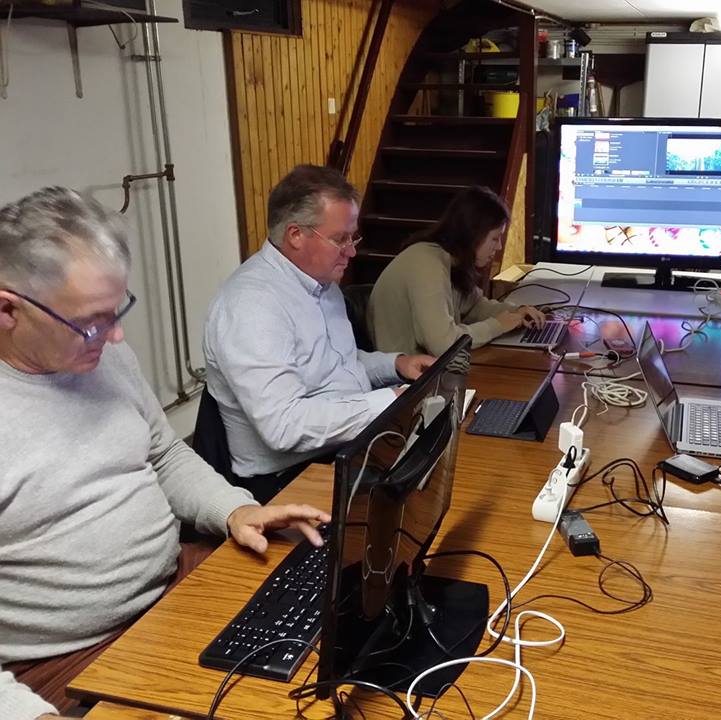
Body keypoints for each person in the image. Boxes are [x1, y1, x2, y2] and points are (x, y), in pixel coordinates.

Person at [0, 187, 329, 720]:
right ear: (8, 309)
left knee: (326, 643)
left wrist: (233, 509)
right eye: (92, 320)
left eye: (118, 309)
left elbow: (163, 453)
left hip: (173, 588)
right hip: (59, 664)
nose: (115, 335)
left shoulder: (101, 354)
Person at [204, 165, 433, 502]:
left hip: (342, 445)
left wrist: (396, 365)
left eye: (353, 237)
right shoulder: (252, 307)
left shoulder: (322, 284)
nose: (352, 251)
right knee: (423, 499)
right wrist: (388, 402)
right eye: (340, 239)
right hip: (287, 479)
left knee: (440, 465)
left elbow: (335, 364)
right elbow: (284, 426)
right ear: (296, 235)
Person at [367, 185, 546, 357]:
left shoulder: (449, 260)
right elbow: (442, 344)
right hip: (406, 374)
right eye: (494, 238)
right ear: (473, 234)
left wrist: (517, 313)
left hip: (427, 367)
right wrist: (497, 326)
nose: (498, 246)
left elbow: (476, 306)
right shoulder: (426, 263)